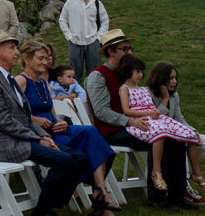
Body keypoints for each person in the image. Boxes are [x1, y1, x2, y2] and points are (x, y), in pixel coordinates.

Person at [0, 30, 86, 216]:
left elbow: (25, 117)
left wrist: (42, 136)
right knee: (65, 161)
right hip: (6, 143)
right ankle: (43, 211)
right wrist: (37, 137)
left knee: (79, 158)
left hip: (23, 138)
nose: (17, 52)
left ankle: (50, 204)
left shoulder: (7, 78)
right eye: (12, 48)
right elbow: (3, 121)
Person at [86, 28, 190, 208]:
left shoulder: (128, 73)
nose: (130, 52)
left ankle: (177, 195)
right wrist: (129, 121)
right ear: (111, 51)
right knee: (160, 138)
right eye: (125, 49)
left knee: (177, 139)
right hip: (112, 130)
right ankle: (157, 198)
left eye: (130, 48)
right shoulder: (98, 75)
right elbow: (102, 111)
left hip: (136, 124)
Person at [14, 39, 119, 214]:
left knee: (91, 132)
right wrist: (34, 119)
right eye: (40, 58)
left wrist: (61, 121)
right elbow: (15, 114)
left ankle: (99, 190)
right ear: (26, 58)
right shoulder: (20, 81)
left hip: (55, 129)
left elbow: (52, 112)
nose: (46, 62)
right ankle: (99, 197)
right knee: (83, 151)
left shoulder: (44, 82)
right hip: (38, 134)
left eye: (47, 58)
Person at [117, 54, 204, 192]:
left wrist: (155, 112)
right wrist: (149, 113)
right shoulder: (124, 89)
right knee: (160, 133)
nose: (141, 74)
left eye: (141, 71)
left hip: (153, 118)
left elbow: (153, 109)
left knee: (189, 134)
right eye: (137, 71)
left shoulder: (143, 89)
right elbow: (126, 110)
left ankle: (197, 174)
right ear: (128, 72)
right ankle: (156, 172)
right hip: (140, 121)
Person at [148, 61, 205, 204]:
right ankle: (182, 188)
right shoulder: (148, 93)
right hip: (157, 135)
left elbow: (179, 119)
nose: (175, 81)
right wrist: (165, 99)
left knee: (195, 137)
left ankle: (196, 176)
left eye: (175, 78)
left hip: (175, 132)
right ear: (161, 78)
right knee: (181, 140)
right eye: (171, 78)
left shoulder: (175, 96)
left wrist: (193, 131)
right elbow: (156, 119)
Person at [58, 0, 109, 82]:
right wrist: (69, 36)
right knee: (74, 75)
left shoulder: (97, 4)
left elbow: (105, 21)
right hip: (75, 43)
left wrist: (98, 37)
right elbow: (62, 20)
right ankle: (75, 96)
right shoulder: (70, 3)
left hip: (93, 43)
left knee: (94, 74)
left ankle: (93, 96)